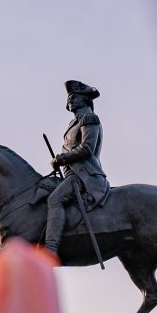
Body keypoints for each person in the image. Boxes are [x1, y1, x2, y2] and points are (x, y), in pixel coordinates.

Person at [44, 80, 110, 255]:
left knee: (54, 200)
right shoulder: (74, 123)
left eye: (74, 97)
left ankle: (50, 249)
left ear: (85, 99)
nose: (70, 101)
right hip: (71, 174)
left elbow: (87, 148)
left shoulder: (89, 118)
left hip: (85, 176)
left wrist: (62, 158)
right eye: (69, 98)